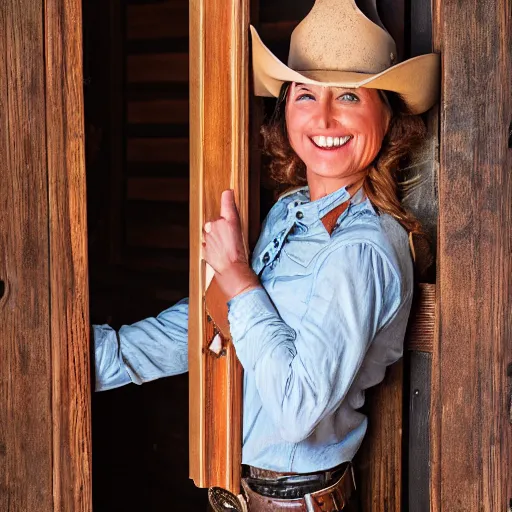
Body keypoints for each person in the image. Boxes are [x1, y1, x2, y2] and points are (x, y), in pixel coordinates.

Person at [94, 1, 439, 510]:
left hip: (294, 500)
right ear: (286, 109)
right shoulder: (290, 212)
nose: (323, 117)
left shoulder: (362, 250)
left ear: (385, 115)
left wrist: (238, 276)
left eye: (348, 95)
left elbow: (298, 408)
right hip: (243, 489)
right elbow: (218, 325)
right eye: (305, 95)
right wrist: (95, 360)